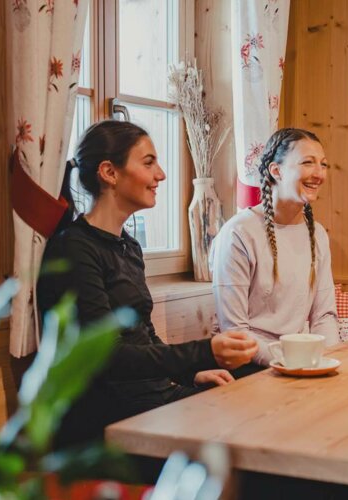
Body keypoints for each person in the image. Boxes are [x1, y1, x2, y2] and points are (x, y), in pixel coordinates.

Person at [36, 120, 258, 448]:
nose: (161, 175)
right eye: (149, 162)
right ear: (109, 172)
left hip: (152, 395)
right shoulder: (74, 249)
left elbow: (144, 336)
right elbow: (104, 358)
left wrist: (191, 374)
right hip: (109, 417)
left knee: (254, 401)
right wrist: (203, 352)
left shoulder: (128, 245)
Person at [210, 128, 339, 366]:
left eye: (323, 164)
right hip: (248, 365)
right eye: (308, 163)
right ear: (276, 171)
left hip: (301, 362)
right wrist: (290, 362)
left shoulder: (317, 234)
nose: (319, 174)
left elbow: (324, 316)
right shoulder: (238, 233)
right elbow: (235, 330)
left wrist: (328, 360)